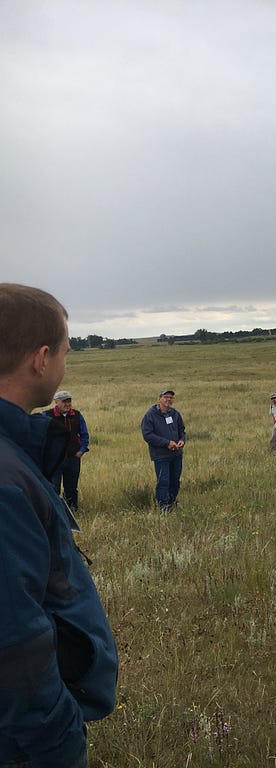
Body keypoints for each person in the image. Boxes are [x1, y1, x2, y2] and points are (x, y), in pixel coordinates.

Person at [0, 283, 118, 767]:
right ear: (41, 358)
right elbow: (14, 642)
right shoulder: (5, 481)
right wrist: (59, 740)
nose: (66, 365)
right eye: (67, 353)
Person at [140, 388, 186, 512]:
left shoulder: (175, 414)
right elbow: (147, 435)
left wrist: (182, 440)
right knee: (163, 481)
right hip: (161, 455)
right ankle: (163, 506)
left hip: (176, 454)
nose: (168, 400)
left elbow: (182, 430)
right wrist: (167, 443)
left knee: (175, 480)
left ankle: (172, 501)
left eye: (171, 398)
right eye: (166, 397)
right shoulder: (150, 415)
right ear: (159, 399)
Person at [44, 390, 90, 511]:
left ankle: (72, 512)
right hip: (54, 461)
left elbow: (85, 435)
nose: (67, 404)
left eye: (69, 401)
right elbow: (38, 436)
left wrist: (80, 452)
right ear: (56, 402)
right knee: (53, 488)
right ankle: (54, 513)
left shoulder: (77, 415)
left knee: (71, 488)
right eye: (64, 401)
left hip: (72, 458)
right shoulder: (47, 415)